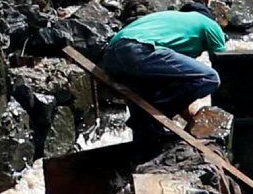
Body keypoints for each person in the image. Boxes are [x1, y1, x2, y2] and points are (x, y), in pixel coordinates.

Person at [98, 7, 232, 127]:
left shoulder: (170, 22)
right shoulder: (209, 24)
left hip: (111, 58)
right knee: (210, 77)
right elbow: (224, 64)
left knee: (152, 92)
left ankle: (145, 129)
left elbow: (177, 86)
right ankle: (153, 117)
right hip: (138, 51)